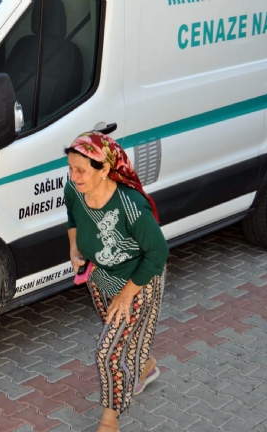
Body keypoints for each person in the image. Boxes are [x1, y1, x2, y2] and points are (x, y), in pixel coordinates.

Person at [64, 131, 169, 432]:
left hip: (137, 283)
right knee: (123, 340)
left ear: (105, 169)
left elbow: (158, 253)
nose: (73, 176)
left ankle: (109, 420)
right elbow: (72, 216)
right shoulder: (75, 189)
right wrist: (74, 248)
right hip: (99, 279)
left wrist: (126, 295)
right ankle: (145, 366)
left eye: (81, 170)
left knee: (106, 353)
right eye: (71, 168)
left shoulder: (130, 205)